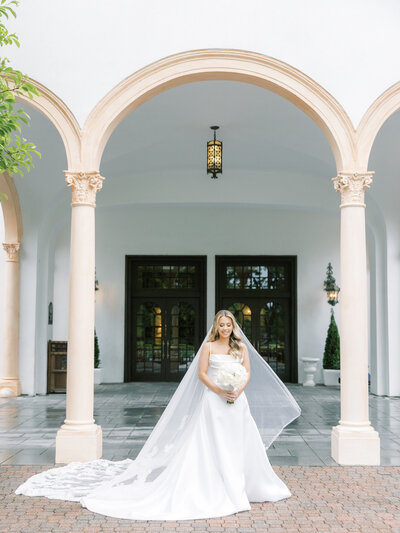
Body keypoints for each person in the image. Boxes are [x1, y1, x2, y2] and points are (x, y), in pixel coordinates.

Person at [15, 310, 301, 521]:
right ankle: (217, 484)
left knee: (238, 443)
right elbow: (202, 375)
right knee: (212, 443)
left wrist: (237, 390)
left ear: (233, 326)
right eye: (221, 324)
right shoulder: (209, 347)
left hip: (237, 402)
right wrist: (219, 390)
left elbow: (247, 373)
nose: (225, 328)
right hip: (213, 403)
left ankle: (244, 484)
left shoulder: (239, 347)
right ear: (216, 326)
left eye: (229, 325)